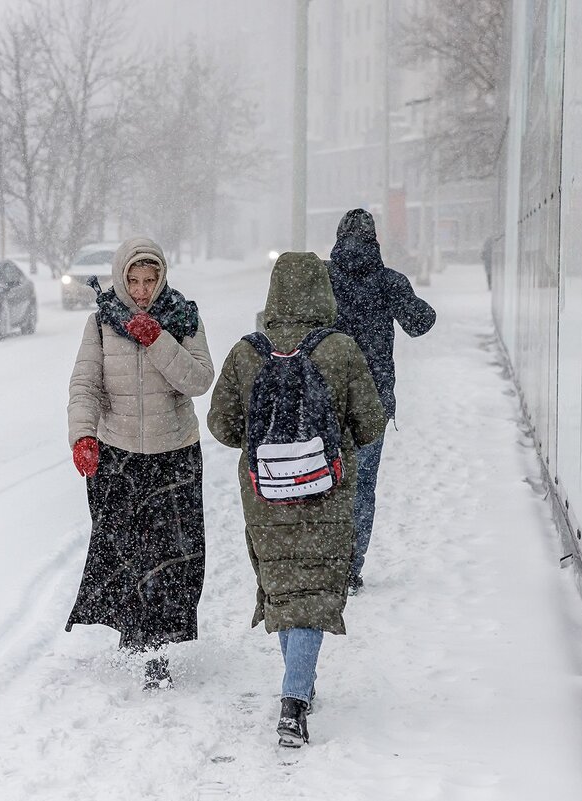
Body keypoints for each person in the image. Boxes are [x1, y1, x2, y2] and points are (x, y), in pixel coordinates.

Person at [207, 251, 387, 747]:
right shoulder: (341, 349)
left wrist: (265, 442)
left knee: (286, 589)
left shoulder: (248, 351)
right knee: (311, 594)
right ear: (323, 292)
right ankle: (294, 700)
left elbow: (221, 426)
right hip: (327, 489)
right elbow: (370, 424)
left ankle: (297, 686)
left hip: (265, 494)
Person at [66, 236, 215, 690]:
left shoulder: (184, 317)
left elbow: (200, 379)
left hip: (174, 455)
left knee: (170, 556)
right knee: (126, 553)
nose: (143, 290)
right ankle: (138, 639)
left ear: (163, 276)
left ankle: (158, 645)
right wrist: (83, 436)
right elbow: (85, 385)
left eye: (151, 280)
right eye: (134, 280)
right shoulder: (101, 324)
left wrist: (158, 339)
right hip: (118, 456)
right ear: (121, 278)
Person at [327, 209, 437, 594]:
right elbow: (420, 323)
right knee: (361, 486)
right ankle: (350, 568)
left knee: (322, 479)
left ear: (338, 238)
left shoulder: (323, 279)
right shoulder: (388, 282)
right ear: (375, 241)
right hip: (372, 401)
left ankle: (322, 560)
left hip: (326, 400)